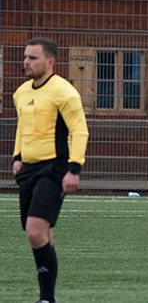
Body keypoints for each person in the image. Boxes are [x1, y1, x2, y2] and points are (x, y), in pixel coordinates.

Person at [13, 37, 89, 303]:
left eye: (33, 58)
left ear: (50, 62)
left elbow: (80, 130)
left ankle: (47, 299)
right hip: (29, 170)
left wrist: (74, 169)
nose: (26, 62)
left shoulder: (64, 92)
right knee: (39, 233)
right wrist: (17, 156)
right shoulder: (21, 93)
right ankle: (49, 297)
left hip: (55, 168)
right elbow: (23, 126)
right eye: (25, 57)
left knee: (35, 232)